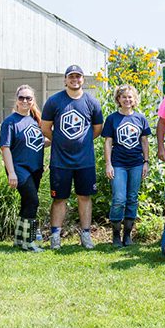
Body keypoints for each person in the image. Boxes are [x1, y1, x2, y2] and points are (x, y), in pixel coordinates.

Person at [40, 64, 104, 250]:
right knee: (59, 199)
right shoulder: (54, 101)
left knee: (85, 196)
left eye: (78, 77)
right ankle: (55, 236)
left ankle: (85, 236)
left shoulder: (92, 102)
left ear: (83, 79)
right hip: (60, 161)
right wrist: (59, 140)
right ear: (65, 80)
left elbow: (97, 129)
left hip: (85, 161)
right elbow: (45, 127)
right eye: (71, 77)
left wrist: (82, 141)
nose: (75, 80)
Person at [0, 85, 50, 252]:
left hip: (36, 168)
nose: (25, 101)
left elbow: (40, 142)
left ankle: (19, 239)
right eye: (22, 98)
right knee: (33, 201)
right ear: (16, 99)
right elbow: (5, 148)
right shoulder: (10, 122)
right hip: (19, 169)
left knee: (27, 202)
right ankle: (29, 242)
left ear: (33, 100)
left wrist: (58, 140)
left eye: (28, 98)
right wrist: (11, 172)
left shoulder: (37, 120)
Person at [102, 84, 151, 247]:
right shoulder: (112, 119)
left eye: (130, 97)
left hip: (136, 163)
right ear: (118, 99)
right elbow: (108, 142)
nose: (127, 100)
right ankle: (116, 235)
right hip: (118, 164)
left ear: (134, 99)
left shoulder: (140, 118)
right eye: (124, 97)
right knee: (119, 199)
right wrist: (108, 164)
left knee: (132, 198)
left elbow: (144, 141)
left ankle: (128, 235)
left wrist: (146, 162)